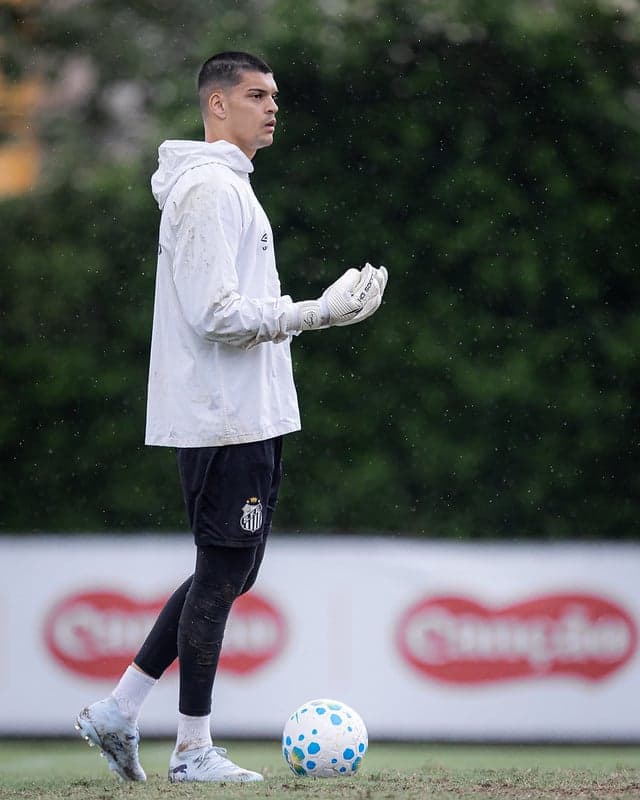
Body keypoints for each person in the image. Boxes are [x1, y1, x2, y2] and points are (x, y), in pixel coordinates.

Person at [75, 51, 388, 784]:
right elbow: (215, 315)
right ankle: (192, 750)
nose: (271, 106)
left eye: (274, 94)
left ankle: (120, 710)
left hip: (249, 414)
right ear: (217, 105)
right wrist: (313, 312)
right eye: (255, 94)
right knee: (222, 575)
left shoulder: (233, 189)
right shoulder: (209, 190)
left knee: (230, 572)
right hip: (222, 417)